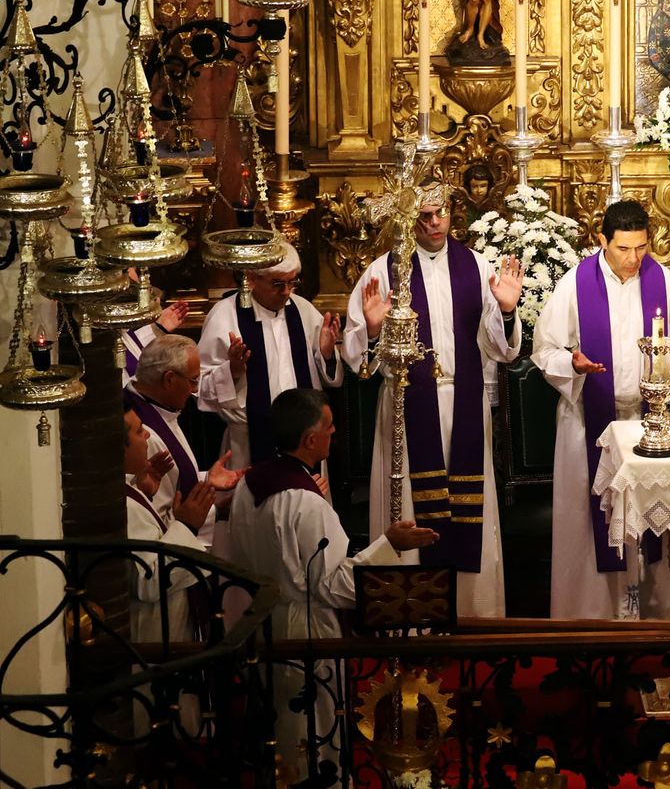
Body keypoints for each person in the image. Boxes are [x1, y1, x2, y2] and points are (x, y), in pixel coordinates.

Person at [229, 388, 438, 783]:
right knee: (312, 734)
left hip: (261, 623)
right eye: (329, 426)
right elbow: (334, 585)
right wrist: (389, 544)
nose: (334, 432)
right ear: (311, 439)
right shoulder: (305, 502)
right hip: (305, 630)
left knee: (276, 734)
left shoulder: (249, 485)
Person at [344, 180, 524, 617]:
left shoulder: (477, 267)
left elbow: (501, 349)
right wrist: (369, 329)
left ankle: (473, 613)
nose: (434, 222)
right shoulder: (382, 272)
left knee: (469, 510)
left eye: (440, 212)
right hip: (407, 407)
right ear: (407, 217)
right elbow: (357, 361)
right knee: (406, 500)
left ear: (451, 212)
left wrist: (505, 308)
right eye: (424, 215)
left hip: (464, 405)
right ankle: (409, 617)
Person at [532, 199, 670, 618]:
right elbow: (544, 348)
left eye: (641, 247)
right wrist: (572, 363)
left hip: (647, 423)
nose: (634, 258)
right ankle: (589, 617)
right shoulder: (576, 283)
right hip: (589, 421)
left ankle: (650, 615)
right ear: (602, 240)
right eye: (623, 249)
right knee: (589, 526)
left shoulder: (663, 282)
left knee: (648, 523)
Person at [196, 244, 343, 471]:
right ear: (253, 278)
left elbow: (327, 376)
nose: (286, 291)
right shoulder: (224, 316)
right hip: (249, 441)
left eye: (292, 282)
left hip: (305, 440)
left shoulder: (302, 310)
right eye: (278, 284)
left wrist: (326, 354)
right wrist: (232, 371)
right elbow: (199, 385)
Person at [126, 334, 244, 551]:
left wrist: (205, 478)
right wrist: (217, 510)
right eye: (193, 380)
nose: (195, 390)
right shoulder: (145, 434)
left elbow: (171, 484)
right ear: (169, 379)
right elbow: (160, 519)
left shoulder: (153, 405)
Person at [123, 402, 212, 644]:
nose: (148, 435)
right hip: (154, 641)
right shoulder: (123, 506)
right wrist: (186, 525)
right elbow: (149, 580)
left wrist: (144, 492)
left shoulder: (129, 492)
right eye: (140, 431)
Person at [121, 294, 188, 386]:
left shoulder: (123, 331)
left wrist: (157, 329)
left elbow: (136, 359)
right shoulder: (102, 339)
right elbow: (128, 387)